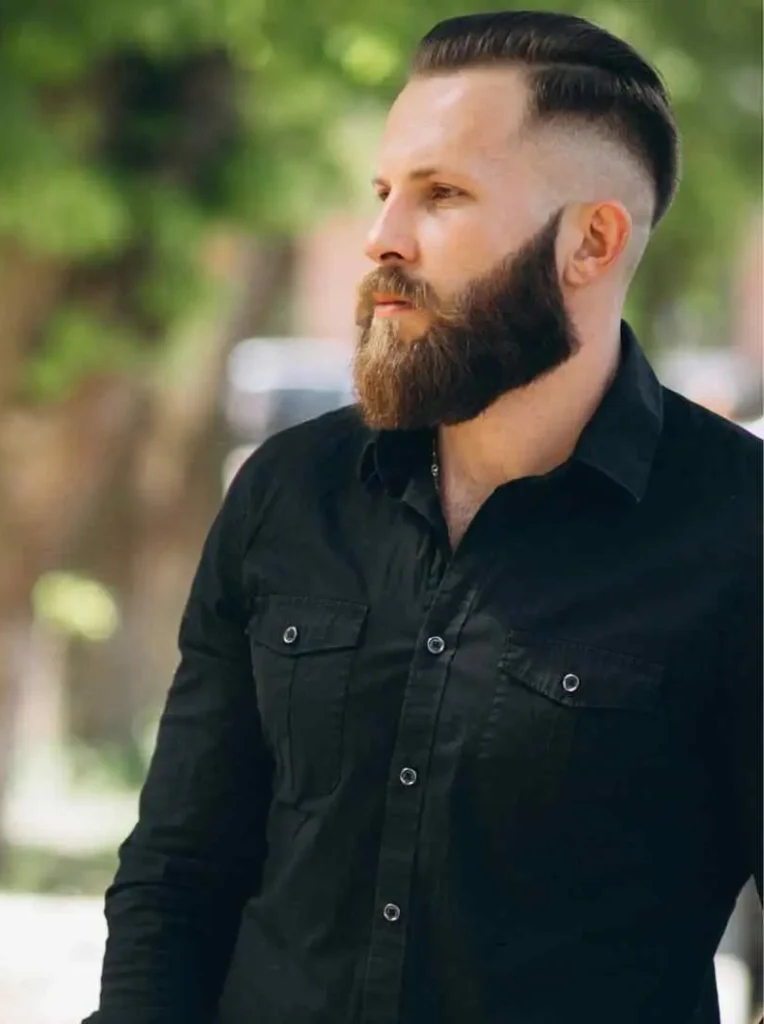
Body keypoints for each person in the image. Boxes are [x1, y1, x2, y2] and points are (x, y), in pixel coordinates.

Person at [83, 11, 762, 1024]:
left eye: (441, 195)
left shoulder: (736, 534)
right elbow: (177, 871)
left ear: (590, 240)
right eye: (384, 191)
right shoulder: (287, 492)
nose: (381, 238)